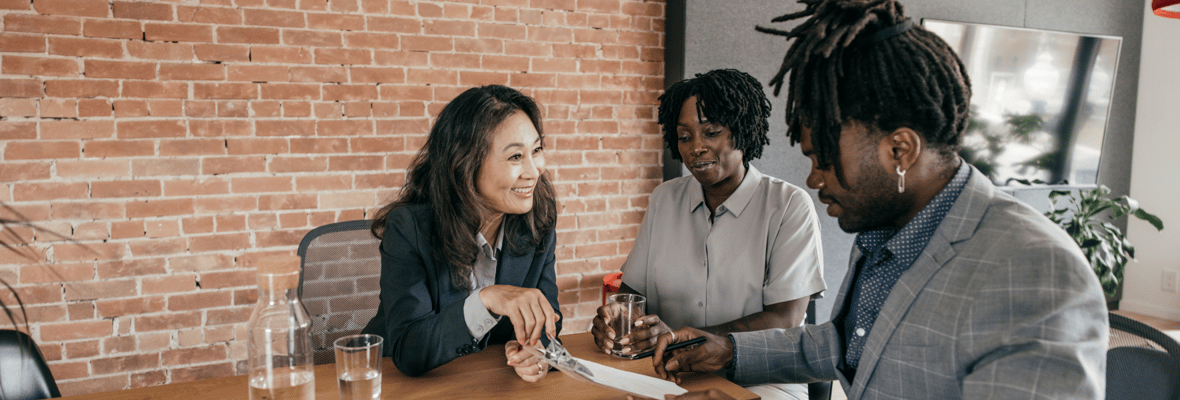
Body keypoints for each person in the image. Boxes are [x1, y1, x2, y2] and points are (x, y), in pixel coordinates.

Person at [648, 1, 1109, 399]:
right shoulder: (887, 233)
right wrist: (727, 350)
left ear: (900, 151)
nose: (813, 179)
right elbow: (848, 343)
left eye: (824, 160)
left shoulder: (1035, 273)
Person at [590, 69, 826, 400]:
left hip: (761, 379)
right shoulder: (664, 199)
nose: (696, 148)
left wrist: (681, 336)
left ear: (741, 131)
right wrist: (620, 321)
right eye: (685, 137)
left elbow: (785, 318)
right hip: (668, 373)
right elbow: (632, 296)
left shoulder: (787, 206)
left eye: (711, 132)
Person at [361, 85, 562, 382]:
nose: (534, 171)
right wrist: (486, 300)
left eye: (536, 150)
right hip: (400, 384)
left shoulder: (537, 219)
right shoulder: (409, 227)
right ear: (466, 164)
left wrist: (535, 351)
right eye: (516, 157)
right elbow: (409, 350)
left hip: (485, 382)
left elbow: (549, 321)